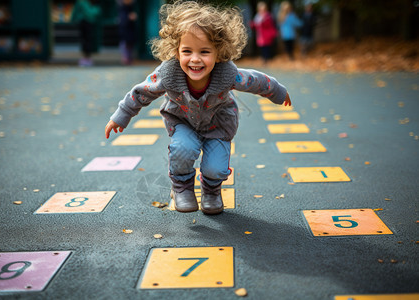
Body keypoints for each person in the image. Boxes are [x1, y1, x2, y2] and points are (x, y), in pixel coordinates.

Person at [105, 0, 291, 215]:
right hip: (182, 121)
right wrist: (122, 115)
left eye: (204, 52)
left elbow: (255, 80)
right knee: (183, 149)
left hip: (219, 124)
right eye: (187, 51)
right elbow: (142, 92)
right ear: (176, 51)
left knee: (216, 168)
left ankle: (211, 191)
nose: (195, 59)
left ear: (219, 52)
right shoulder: (168, 74)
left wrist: (277, 92)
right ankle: (182, 186)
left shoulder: (227, 73)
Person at [71, 0, 101, 67]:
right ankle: (86, 58)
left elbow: (88, 12)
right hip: (85, 22)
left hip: (87, 22)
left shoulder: (83, 2)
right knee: (86, 40)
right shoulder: (82, 2)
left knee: (87, 40)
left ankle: (87, 58)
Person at [117, 0, 137, 65]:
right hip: (124, 29)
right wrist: (128, 18)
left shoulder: (132, 7)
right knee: (125, 43)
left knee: (130, 44)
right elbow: (122, 19)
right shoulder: (122, 8)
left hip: (130, 29)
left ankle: (129, 58)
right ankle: (125, 57)